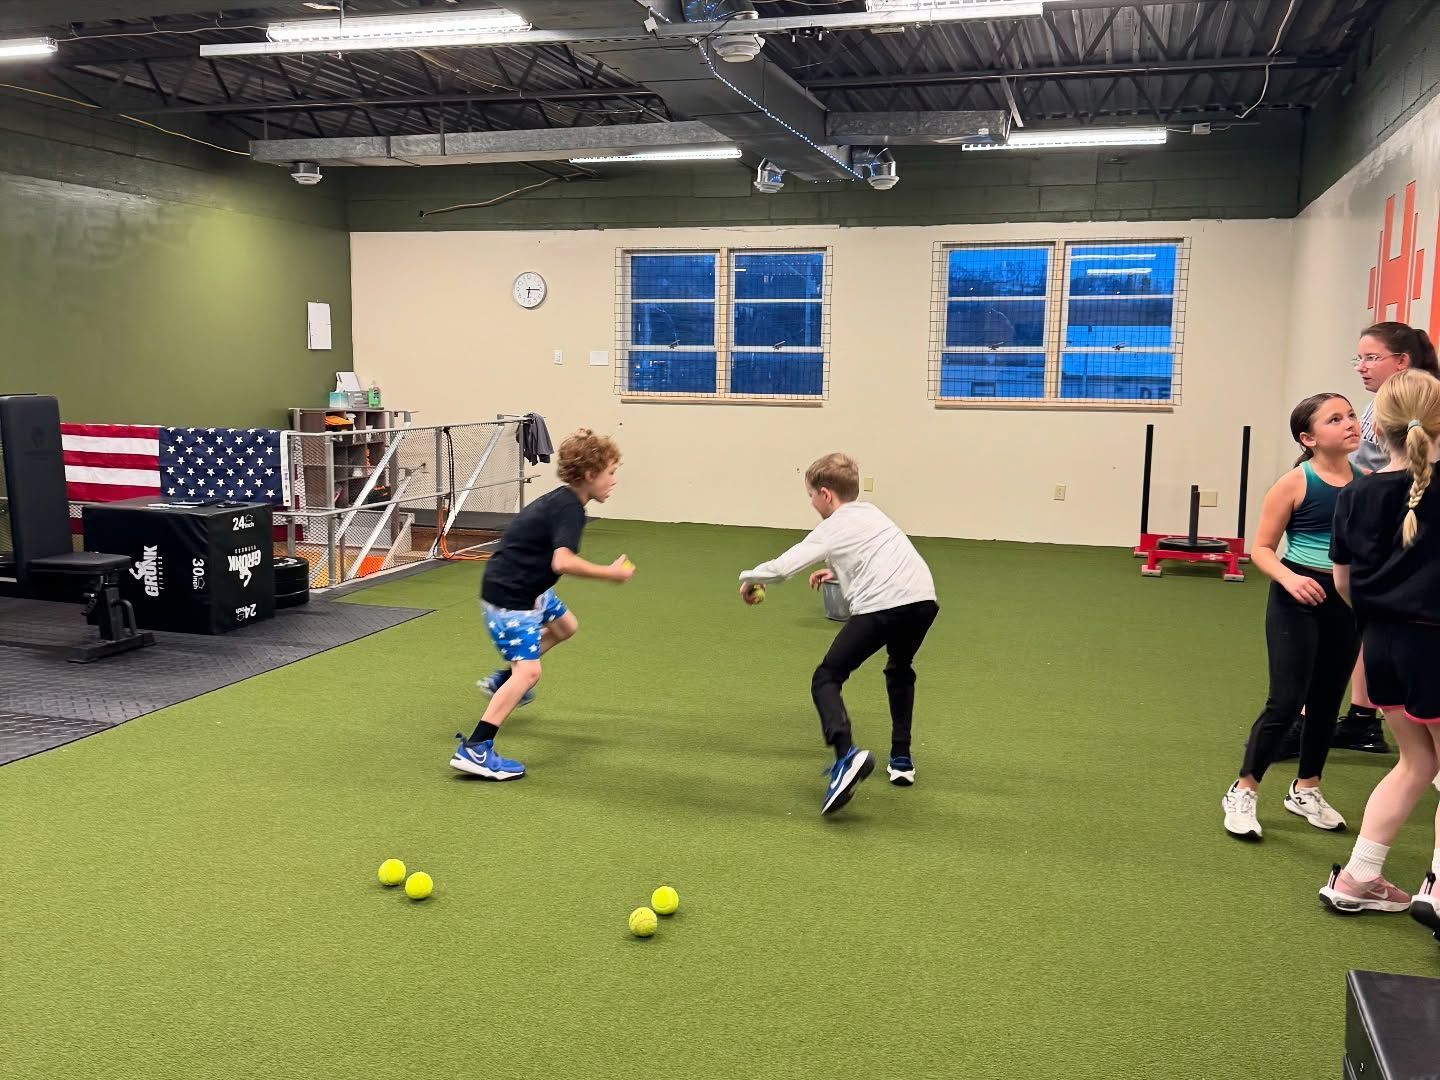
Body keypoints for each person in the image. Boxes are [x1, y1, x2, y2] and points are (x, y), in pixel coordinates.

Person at [738, 453, 938, 816]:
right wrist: (838, 573)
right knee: (900, 668)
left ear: (826, 494)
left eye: (811, 495)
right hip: (923, 599)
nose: (812, 503)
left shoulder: (831, 527)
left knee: (827, 677)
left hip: (884, 605)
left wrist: (750, 578)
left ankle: (846, 755)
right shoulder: (873, 513)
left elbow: (784, 568)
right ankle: (902, 759)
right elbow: (874, 554)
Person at [1318, 370, 1440, 940]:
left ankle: (1360, 878)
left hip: (1383, 645)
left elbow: (1344, 582)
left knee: (1416, 762)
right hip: (1433, 645)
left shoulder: (1357, 492)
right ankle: (1436, 889)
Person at [449, 429, 633, 780]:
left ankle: (502, 681)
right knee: (530, 672)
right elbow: (561, 562)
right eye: (610, 472)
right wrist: (608, 574)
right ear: (590, 475)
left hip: (528, 590)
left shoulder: (564, 501)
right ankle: (476, 749)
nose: (614, 480)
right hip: (512, 598)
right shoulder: (569, 510)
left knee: (566, 626)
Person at [1221, 394, 1362, 839]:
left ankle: (1306, 788)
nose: (1349, 423)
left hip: (1348, 601)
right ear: (1309, 438)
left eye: (1351, 414)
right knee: (1286, 700)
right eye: (1334, 419)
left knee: (1326, 702)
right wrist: (1288, 578)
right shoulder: (1294, 483)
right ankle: (1243, 788)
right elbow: (1260, 548)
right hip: (1296, 595)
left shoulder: (1368, 481)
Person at [1333, 322, 1440, 754]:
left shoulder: (1419, 405)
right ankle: (1362, 718)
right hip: (1391, 602)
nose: (1361, 367)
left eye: (1370, 357)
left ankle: (1363, 718)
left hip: (1404, 599)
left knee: (1417, 761)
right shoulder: (1376, 409)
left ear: (1402, 362)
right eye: (1358, 358)